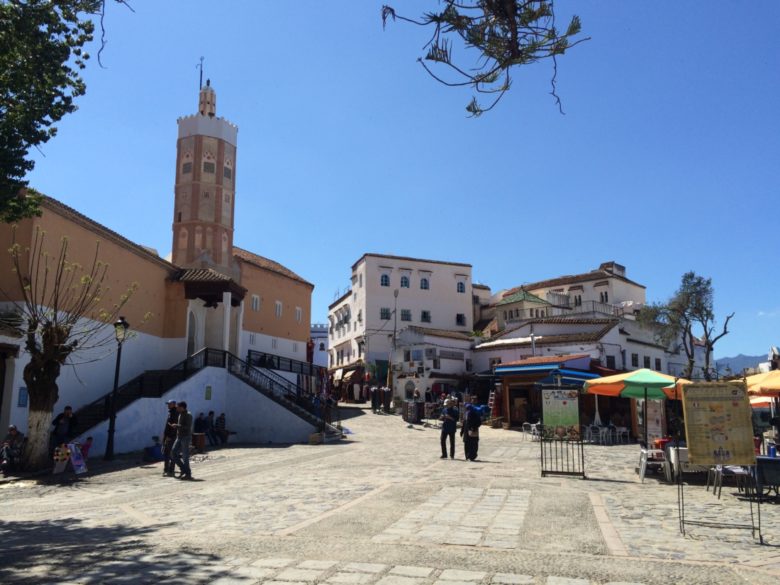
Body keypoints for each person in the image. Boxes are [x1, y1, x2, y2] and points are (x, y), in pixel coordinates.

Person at [171, 401, 193, 480]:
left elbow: (187, 427)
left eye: (178, 407)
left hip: (185, 437)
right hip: (179, 437)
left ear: (182, 407)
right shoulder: (180, 414)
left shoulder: (188, 415)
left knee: (185, 456)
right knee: (173, 453)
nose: (176, 408)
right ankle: (183, 469)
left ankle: (188, 473)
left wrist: (177, 426)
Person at [161, 399, 178, 476]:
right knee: (167, 453)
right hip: (168, 436)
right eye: (168, 404)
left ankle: (170, 470)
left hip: (171, 437)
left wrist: (169, 436)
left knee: (169, 453)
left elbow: (173, 426)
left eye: (169, 404)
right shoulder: (170, 412)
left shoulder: (175, 413)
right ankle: (168, 469)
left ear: (174, 404)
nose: (168, 405)